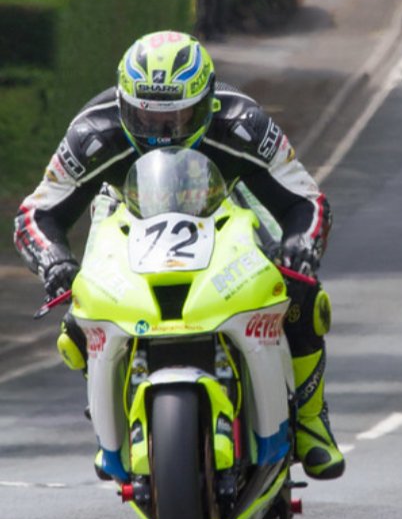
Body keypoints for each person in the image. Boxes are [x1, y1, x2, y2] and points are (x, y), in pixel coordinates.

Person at [14, 29, 345, 483]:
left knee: (300, 293)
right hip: (127, 216)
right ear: (124, 102)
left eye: (177, 119)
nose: (159, 134)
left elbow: (307, 199)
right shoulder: (93, 131)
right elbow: (36, 213)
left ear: (207, 103)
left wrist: (301, 245)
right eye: (144, 118)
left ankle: (311, 419)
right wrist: (54, 262)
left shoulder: (243, 122)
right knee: (78, 319)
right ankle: (109, 422)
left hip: (229, 206)